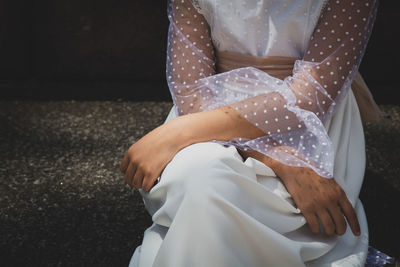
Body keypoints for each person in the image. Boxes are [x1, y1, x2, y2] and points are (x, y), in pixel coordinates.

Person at [120, 0, 390, 266]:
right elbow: (190, 93)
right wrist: (273, 157)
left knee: (213, 188)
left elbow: (310, 98)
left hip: (305, 127)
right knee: (203, 176)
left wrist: (177, 133)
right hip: (205, 119)